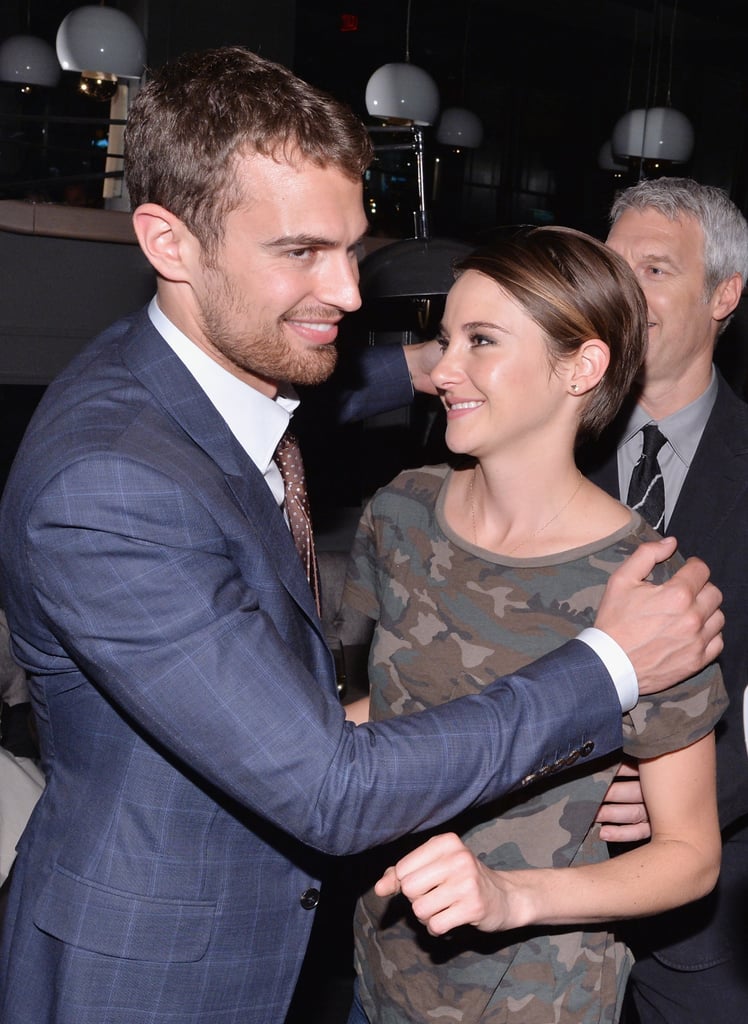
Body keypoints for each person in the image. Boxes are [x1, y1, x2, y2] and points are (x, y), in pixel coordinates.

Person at [0, 49, 722, 1024]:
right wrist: (610, 664)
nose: (345, 293)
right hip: (155, 966)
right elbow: (332, 784)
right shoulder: (114, 485)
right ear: (169, 244)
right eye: (300, 253)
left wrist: (456, 359)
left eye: (353, 247)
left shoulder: (201, 377)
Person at [342, 226, 726, 1024]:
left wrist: (510, 897)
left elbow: (690, 859)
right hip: (378, 978)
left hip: (537, 999)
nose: (443, 369)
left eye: (481, 341)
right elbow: (388, 706)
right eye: (446, 339)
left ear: (581, 367)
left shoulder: (642, 585)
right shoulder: (402, 510)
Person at [581, 176, 748, 1023]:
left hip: (712, 916)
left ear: (726, 294)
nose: (624, 291)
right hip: (539, 879)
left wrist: (684, 797)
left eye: (654, 269)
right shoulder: (536, 442)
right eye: (613, 266)